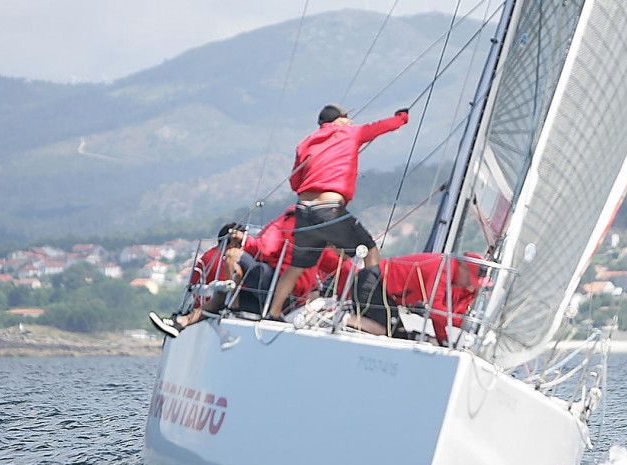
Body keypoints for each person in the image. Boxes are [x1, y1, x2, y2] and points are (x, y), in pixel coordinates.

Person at [266, 103, 409, 320]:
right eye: (347, 117)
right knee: (369, 251)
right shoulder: (349, 132)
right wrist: (402, 117)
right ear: (339, 120)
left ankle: (272, 312)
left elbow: (296, 182)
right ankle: (369, 312)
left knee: (296, 267)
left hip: (304, 211)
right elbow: (381, 126)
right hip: (329, 209)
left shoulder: (305, 143)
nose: (351, 121)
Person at [348, 252, 485, 344]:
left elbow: (438, 311)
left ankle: (344, 318)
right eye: (469, 279)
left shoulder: (448, 272)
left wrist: (443, 340)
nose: (468, 285)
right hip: (374, 284)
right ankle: (342, 317)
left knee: (398, 335)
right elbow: (435, 308)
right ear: (463, 268)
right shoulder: (444, 268)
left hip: (383, 291)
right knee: (387, 333)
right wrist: (461, 323)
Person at [149, 222, 245, 337]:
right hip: (208, 309)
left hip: (199, 306)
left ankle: (178, 322)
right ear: (233, 243)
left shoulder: (210, 255)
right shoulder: (223, 260)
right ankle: (180, 323)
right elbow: (223, 292)